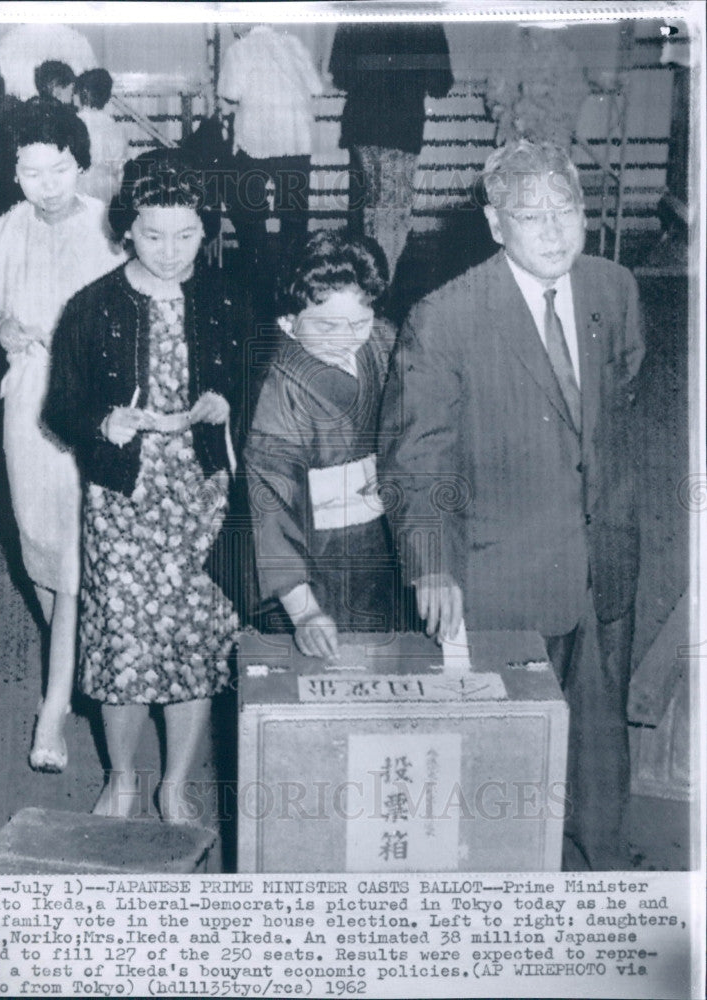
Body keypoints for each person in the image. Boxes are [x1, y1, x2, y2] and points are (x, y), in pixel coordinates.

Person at [379, 140, 644, 870]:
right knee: (502, 762)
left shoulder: (614, 289)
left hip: (604, 560)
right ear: (497, 225)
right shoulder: (446, 318)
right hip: (498, 577)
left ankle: (601, 885)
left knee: (598, 749)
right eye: (531, 217)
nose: (554, 231)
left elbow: (615, 401)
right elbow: (415, 460)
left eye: (566, 211)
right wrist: (433, 567)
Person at [43, 150, 245, 823]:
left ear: (206, 231)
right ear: (126, 227)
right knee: (121, 643)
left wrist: (226, 405)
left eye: (186, 235)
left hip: (200, 497)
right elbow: (59, 409)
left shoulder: (226, 297)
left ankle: (176, 785)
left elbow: (257, 379)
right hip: (123, 500)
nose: (169, 251)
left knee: (195, 641)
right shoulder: (93, 306)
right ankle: (124, 777)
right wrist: (103, 421)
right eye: (153, 234)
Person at [0, 98, 125, 772]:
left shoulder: (112, 228)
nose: (47, 184)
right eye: (31, 172)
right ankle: (76, 655)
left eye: (59, 168)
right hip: (29, 403)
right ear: (12, 173)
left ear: (80, 163)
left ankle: (54, 705)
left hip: (99, 403)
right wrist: (0, 327)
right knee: (40, 545)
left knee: (77, 553)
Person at [244, 231, 404, 659]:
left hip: (378, 550)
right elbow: (269, 505)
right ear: (287, 322)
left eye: (361, 321)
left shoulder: (383, 342)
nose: (347, 338)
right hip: (310, 567)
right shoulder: (278, 391)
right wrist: (304, 611)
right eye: (327, 326)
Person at [329, 23, 452, 279]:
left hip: (361, 125)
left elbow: (340, 75)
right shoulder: (423, 15)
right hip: (402, 127)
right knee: (393, 214)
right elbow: (441, 83)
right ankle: (382, 287)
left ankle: (365, 287)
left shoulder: (356, 11)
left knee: (366, 212)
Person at [217, 24, 323, 284]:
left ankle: (258, 275)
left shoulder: (239, 50)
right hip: (296, 141)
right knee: (294, 215)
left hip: (256, 143)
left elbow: (229, 94)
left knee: (249, 210)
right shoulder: (294, 45)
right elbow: (316, 88)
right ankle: (294, 279)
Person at [74, 68, 130, 204]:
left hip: (78, 186)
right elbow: (119, 166)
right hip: (107, 189)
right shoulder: (116, 127)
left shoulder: (74, 123)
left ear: (84, 93)